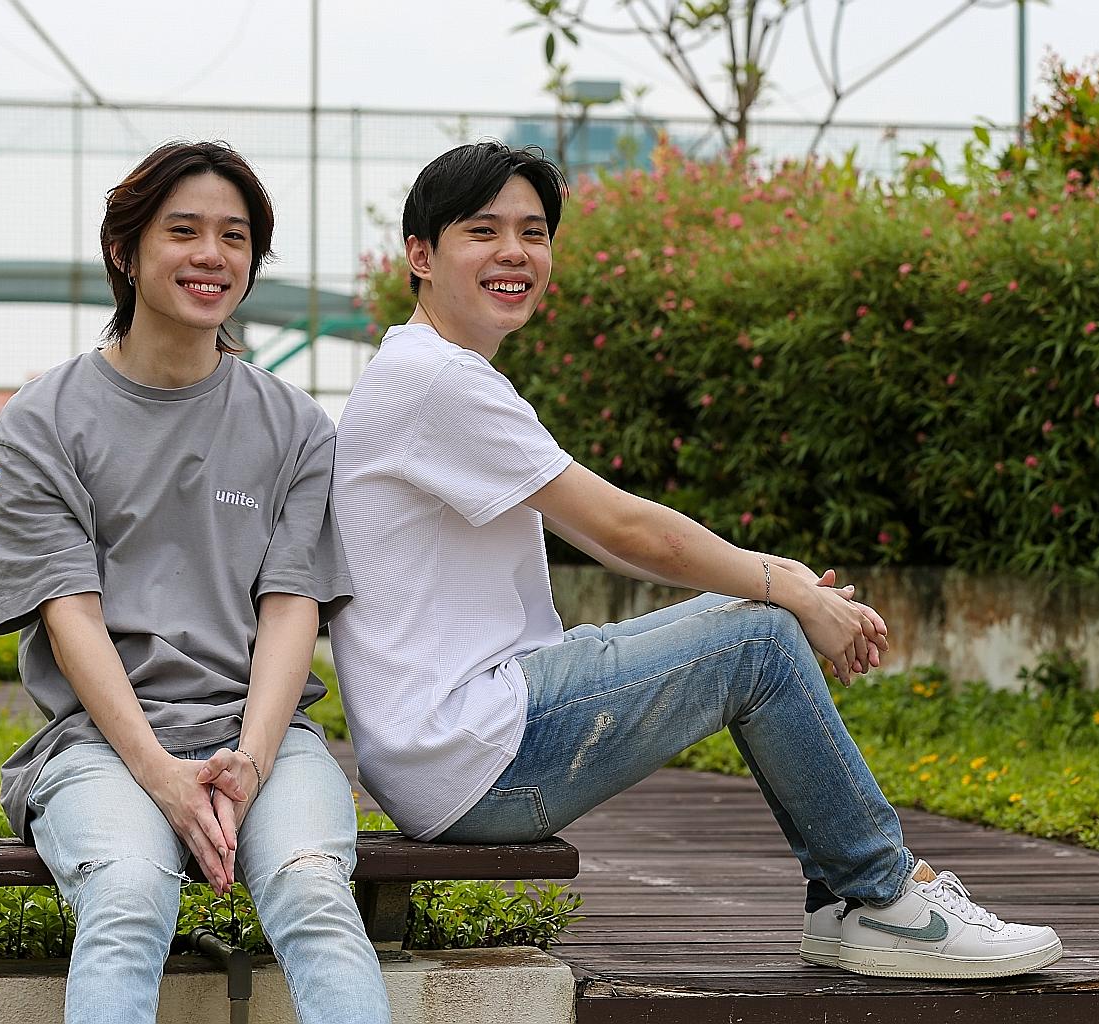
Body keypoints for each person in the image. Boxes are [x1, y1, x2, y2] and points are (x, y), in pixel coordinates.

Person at [329, 141, 1062, 981]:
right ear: (420, 256)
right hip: (469, 757)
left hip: (465, 740)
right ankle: (880, 896)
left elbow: (608, 535)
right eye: (482, 231)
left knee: (760, 624)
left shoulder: (434, 373)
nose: (515, 254)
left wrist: (778, 582)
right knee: (758, 642)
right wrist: (782, 590)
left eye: (534, 232)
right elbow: (624, 529)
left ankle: (852, 900)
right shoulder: (436, 381)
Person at [0, 141, 390, 1024]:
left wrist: (252, 758)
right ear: (125, 252)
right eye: (185, 231)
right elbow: (70, 618)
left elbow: (292, 608)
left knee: (315, 894)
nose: (213, 255)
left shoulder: (296, 425)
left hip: (264, 742)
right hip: (98, 744)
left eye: (235, 236)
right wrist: (164, 776)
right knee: (127, 896)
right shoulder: (41, 422)